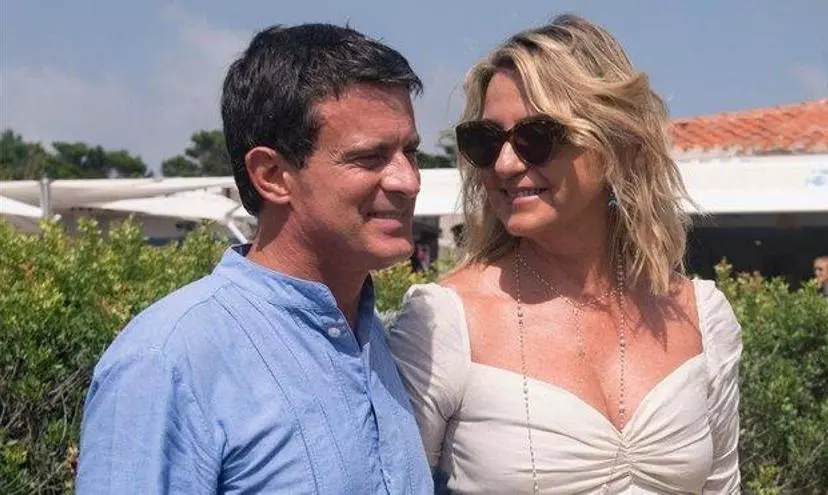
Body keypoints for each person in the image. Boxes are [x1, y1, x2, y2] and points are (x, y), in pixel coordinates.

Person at [389, 14, 743, 494]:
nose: (505, 164)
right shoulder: (445, 322)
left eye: (537, 137)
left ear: (615, 143)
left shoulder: (700, 316)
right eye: (485, 141)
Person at [76, 23, 432, 494]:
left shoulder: (370, 337)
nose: (408, 180)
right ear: (272, 175)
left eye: (410, 152)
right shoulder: (166, 362)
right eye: (370, 158)